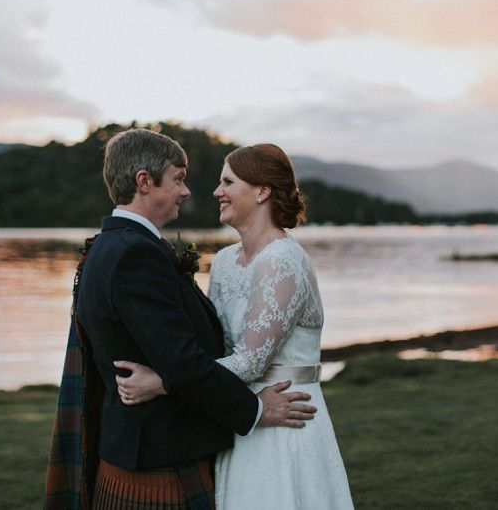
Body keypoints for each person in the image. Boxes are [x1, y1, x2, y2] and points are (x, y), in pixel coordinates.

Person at [46, 129, 317, 510]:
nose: (188, 191)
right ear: (144, 181)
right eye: (178, 178)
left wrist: (163, 381)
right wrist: (255, 409)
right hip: (159, 456)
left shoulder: (114, 247)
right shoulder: (134, 256)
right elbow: (184, 361)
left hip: (148, 449)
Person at [116, 143, 354, 509]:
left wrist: (162, 382)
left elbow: (250, 362)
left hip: (285, 418)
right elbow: (217, 347)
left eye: (227, 182)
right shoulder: (225, 261)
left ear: (262, 191)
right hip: (239, 414)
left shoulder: (283, 261)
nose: (216, 192)